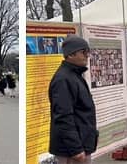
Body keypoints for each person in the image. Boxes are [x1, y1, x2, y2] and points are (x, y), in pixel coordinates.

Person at [49, 35, 98, 164]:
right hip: (72, 151)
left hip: (79, 145)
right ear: (70, 54)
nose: (87, 55)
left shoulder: (73, 75)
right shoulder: (63, 79)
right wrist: (76, 149)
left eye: (87, 51)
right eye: (83, 52)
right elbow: (63, 117)